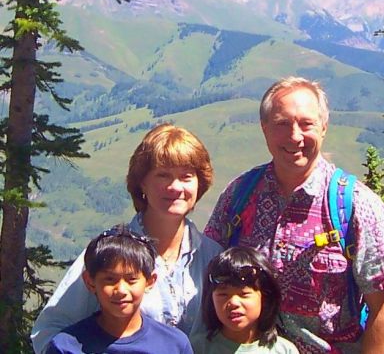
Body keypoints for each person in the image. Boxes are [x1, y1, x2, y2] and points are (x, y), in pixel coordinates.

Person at [204, 77, 384, 353]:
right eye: (282, 124)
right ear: (265, 129)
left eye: (306, 124)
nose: (294, 136)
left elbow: (383, 305)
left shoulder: (357, 206)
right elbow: (209, 271)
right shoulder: (239, 195)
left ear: (324, 127)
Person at [32, 123, 223, 353]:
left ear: (199, 183)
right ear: (142, 182)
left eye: (186, 176)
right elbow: (49, 331)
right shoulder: (109, 253)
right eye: (163, 175)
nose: (175, 186)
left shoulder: (213, 257)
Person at [46, 226, 193, 353]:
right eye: (110, 279)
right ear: (90, 282)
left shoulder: (174, 345)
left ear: (149, 282)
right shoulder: (66, 346)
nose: (121, 290)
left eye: (131, 280)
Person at [191, 246, 299, 354]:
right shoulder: (197, 348)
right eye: (223, 294)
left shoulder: (284, 350)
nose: (233, 303)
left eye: (244, 294)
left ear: (264, 297)